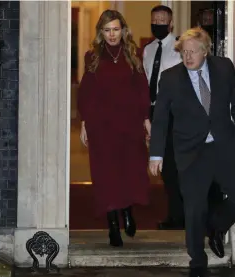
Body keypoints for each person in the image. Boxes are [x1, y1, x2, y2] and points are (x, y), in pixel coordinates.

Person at [149, 27, 235, 277]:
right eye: (184, 52)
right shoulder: (170, 78)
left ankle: (216, 227)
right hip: (191, 152)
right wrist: (156, 155)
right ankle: (197, 261)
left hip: (224, 146)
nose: (188, 57)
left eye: (193, 52)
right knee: (194, 208)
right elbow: (161, 119)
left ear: (205, 51)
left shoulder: (224, 68)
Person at [77, 10, 151, 247]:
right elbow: (86, 92)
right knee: (106, 175)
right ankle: (112, 227)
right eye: (107, 30)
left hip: (129, 124)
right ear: (101, 32)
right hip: (102, 126)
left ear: (123, 30)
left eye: (116, 29)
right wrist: (85, 123)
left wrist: (146, 120)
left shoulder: (133, 55)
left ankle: (127, 211)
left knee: (129, 170)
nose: (111, 35)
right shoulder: (93, 56)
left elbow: (142, 88)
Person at [142, 5, 184, 230]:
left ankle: (182, 216)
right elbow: (146, 81)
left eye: (162, 20)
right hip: (155, 113)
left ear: (171, 24)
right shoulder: (148, 50)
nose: (157, 24)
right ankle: (176, 215)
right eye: (154, 20)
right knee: (166, 168)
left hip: (176, 114)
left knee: (176, 166)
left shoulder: (180, 48)